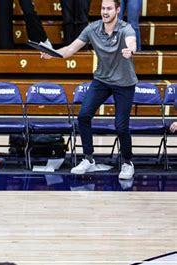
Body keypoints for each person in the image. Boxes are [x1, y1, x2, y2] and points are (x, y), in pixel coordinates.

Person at [41, 0, 137, 179]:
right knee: (83, 116)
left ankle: (127, 162)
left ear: (117, 10)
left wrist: (130, 51)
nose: (105, 12)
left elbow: (132, 43)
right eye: (103, 8)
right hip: (101, 80)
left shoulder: (126, 29)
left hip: (124, 83)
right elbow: (71, 49)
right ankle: (88, 159)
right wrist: (52, 53)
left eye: (109, 8)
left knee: (121, 126)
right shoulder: (92, 29)